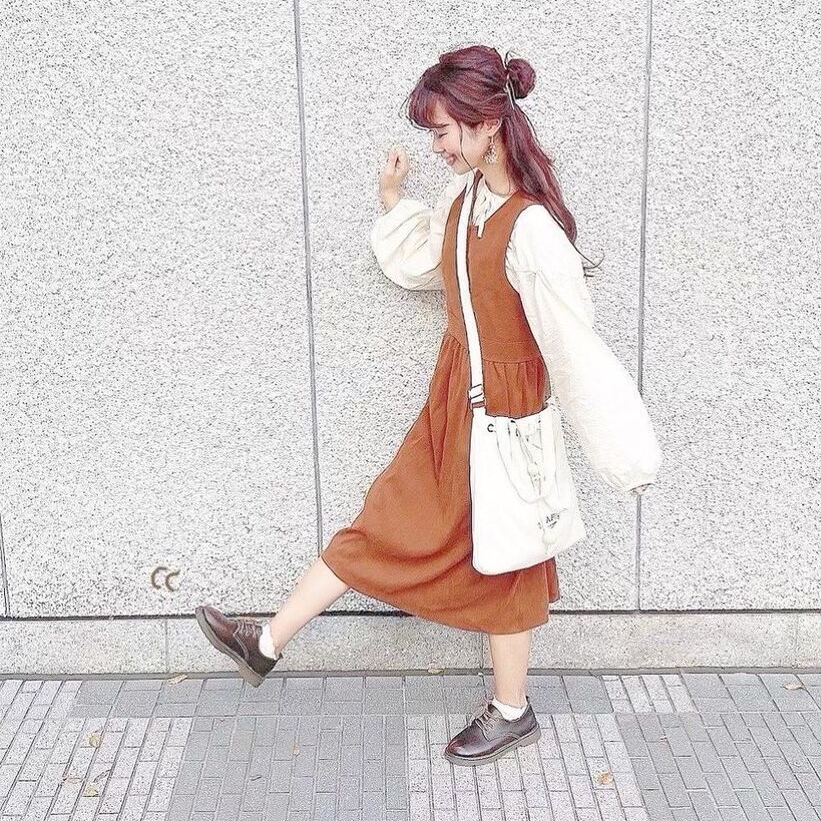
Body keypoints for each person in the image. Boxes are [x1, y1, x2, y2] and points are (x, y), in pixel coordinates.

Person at [195, 44, 662, 767]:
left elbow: (575, 349)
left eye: (443, 131)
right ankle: (266, 643)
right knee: (388, 514)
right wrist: (393, 203)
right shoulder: (465, 198)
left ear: (486, 123)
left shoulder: (533, 229)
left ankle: (512, 710)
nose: (438, 146)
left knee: (510, 558)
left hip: (505, 410)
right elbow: (431, 266)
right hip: (453, 396)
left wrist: (624, 453)